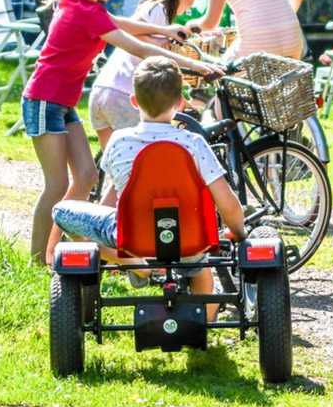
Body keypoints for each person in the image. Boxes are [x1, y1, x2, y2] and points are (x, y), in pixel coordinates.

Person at [21, 0, 223, 266]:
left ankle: (75, 246)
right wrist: (195, 65)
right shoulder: (84, 11)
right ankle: (37, 261)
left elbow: (117, 22)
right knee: (57, 184)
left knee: (87, 176)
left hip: (63, 104)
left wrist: (162, 29)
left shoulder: (81, 1)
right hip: (44, 101)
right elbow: (138, 47)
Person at [52, 57, 247, 315]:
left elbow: (116, 195)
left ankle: (135, 263)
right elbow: (227, 203)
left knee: (62, 211)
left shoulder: (119, 141)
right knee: (200, 269)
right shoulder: (194, 143)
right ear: (179, 102)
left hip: (131, 238)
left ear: (134, 101)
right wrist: (239, 232)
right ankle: (205, 322)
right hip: (189, 240)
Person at [89, 0, 202, 150]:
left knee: (114, 162)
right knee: (139, 160)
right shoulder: (159, 11)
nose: (192, 3)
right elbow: (151, 59)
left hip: (102, 90)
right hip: (123, 94)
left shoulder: (151, 8)